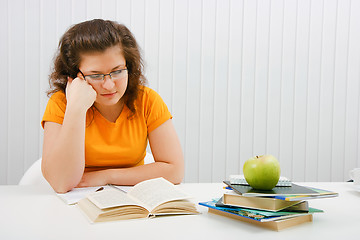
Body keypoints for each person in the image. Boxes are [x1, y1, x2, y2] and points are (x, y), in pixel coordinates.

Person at [41, 19, 184, 193]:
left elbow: (175, 171)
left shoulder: (147, 100)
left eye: (117, 71)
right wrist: (76, 108)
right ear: (74, 74)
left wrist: (106, 176)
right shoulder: (61, 103)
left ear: (128, 67)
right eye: (95, 75)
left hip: (131, 198)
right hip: (76, 199)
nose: (109, 85)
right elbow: (61, 183)